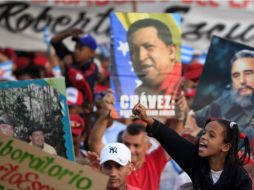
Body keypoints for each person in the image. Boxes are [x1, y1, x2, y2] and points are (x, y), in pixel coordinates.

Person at [132, 103, 252, 190]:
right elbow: (173, 141)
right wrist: (149, 120)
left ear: (225, 146)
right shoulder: (196, 161)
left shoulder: (239, 177)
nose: (203, 137)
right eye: (204, 132)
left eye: (211, 135)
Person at [89, 90, 169, 190]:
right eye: (126, 144)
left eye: (136, 145)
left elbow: (173, 142)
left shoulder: (155, 161)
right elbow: (95, 142)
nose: (131, 150)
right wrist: (106, 113)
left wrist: (180, 113)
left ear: (148, 146)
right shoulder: (112, 154)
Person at [186, 49, 254, 140]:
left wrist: (199, 133)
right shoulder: (226, 100)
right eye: (236, 75)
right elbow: (194, 116)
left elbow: (243, 145)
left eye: (248, 73)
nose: (242, 81)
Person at [127, 18, 181, 97]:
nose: (141, 57)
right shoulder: (139, 94)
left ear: (171, 51)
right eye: (134, 50)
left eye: (149, 46)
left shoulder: (185, 86)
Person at [50, 28, 97, 100]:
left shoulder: (93, 67)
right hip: (64, 100)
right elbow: (54, 41)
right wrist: (68, 33)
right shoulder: (70, 56)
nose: (76, 51)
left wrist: (69, 67)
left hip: (81, 105)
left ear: (91, 53)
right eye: (75, 47)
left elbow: (80, 79)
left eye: (81, 49)